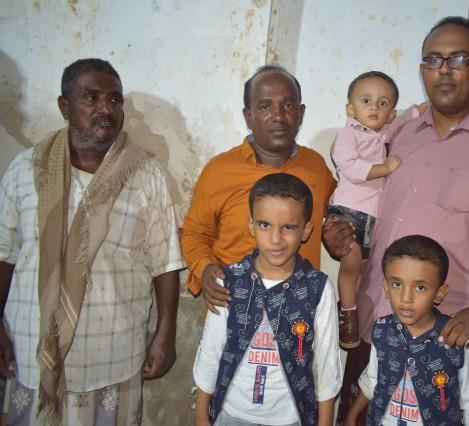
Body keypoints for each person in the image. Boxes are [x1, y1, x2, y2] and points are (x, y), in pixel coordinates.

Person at [324, 16, 469, 422]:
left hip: (455, 332)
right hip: (377, 319)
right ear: (422, 71)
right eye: (433, 60)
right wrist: (341, 233)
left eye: (459, 59)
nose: (444, 69)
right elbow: (366, 195)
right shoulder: (400, 135)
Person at [0, 58, 183, 425]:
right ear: (64, 105)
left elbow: (165, 263)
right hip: (31, 347)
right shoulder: (26, 169)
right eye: (91, 97)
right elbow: (5, 254)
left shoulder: (147, 175)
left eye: (115, 100)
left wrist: (165, 333)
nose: (106, 109)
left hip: (112, 354)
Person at [181, 65, 336, 313]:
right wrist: (205, 268)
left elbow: (337, 210)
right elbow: (194, 233)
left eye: (288, 106)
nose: (278, 116)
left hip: (299, 311)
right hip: (234, 308)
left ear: (301, 113)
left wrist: (336, 231)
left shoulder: (316, 167)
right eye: (265, 107)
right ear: (248, 116)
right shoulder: (220, 170)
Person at [193, 173, 341, 426]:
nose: (275, 239)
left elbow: (326, 363)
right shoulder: (228, 281)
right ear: (251, 225)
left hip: (290, 418)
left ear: (306, 230)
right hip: (232, 414)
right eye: (265, 225)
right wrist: (200, 416)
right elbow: (211, 351)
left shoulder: (317, 288)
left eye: (289, 227)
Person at [328, 71, 428, 349]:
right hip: (348, 210)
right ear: (351, 109)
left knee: (363, 267)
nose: (374, 107)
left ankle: (350, 303)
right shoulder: (349, 134)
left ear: (390, 113)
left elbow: (406, 118)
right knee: (351, 262)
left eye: (383, 103)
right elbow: (351, 168)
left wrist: (425, 107)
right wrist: (385, 168)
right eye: (366, 100)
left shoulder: (385, 133)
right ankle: (348, 314)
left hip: (373, 216)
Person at [345, 235, 469, 425]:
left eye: (420, 287)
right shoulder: (382, 330)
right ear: (386, 287)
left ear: (439, 293)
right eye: (397, 284)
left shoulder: (455, 337)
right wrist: (352, 415)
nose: (406, 298)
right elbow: (372, 379)